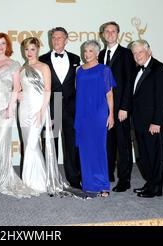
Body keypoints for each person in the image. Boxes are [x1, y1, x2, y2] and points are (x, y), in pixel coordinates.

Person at [0, 33, 37, 198]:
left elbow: (16, 87)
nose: (0, 46)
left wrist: (10, 108)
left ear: (7, 46)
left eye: (3, 43)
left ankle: (4, 177)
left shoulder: (14, 64)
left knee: (0, 141)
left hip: (6, 106)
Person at [19, 37, 69, 195]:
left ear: (38, 50)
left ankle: (36, 182)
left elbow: (48, 90)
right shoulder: (22, 68)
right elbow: (21, 89)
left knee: (32, 144)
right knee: (28, 144)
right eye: (26, 49)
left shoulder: (44, 67)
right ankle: (33, 180)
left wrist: (42, 110)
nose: (29, 52)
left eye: (32, 49)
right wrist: (18, 94)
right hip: (24, 110)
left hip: (38, 108)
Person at [39, 27, 82, 189]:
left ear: (66, 39)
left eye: (59, 37)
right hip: (52, 105)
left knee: (72, 144)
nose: (56, 40)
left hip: (72, 106)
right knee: (50, 143)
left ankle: (74, 178)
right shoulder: (42, 59)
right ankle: (50, 177)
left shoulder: (76, 58)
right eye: (53, 38)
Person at [75, 40, 116, 198]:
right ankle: (88, 184)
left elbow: (109, 94)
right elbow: (79, 92)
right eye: (85, 51)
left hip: (99, 113)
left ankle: (103, 185)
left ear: (97, 53)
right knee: (85, 150)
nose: (87, 54)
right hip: (83, 114)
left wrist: (111, 114)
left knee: (99, 149)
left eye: (91, 51)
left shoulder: (104, 70)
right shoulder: (79, 71)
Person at [98, 21, 136, 190]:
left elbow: (130, 82)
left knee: (123, 144)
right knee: (107, 142)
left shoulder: (126, 54)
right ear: (103, 35)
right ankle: (108, 173)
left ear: (118, 33)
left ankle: (124, 179)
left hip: (120, 107)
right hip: (103, 108)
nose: (110, 34)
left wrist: (125, 107)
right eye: (107, 31)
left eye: (113, 31)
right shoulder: (99, 55)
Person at [130, 40, 163, 198]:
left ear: (149, 51)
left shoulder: (160, 68)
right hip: (139, 121)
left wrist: (156, 122)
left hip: (154, 122)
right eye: (135, 53)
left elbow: (162, 98)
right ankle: (150, 183)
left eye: (140, 52)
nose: (137, 55)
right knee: (144, 156)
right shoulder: (136, 70)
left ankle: (156, 188)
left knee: (155, 156)